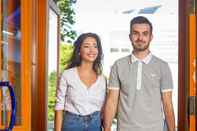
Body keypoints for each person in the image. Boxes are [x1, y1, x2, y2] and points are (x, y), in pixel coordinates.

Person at [103, 16, 175, 131]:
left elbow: (167, 103)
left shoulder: (163, 66)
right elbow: (112, 101)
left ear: (151, 37)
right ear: (130, 37)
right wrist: (106, 129)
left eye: (145, 33)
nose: (140, 38)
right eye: (136, 33)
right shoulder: (118, 65)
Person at [54, 33, 106, 131]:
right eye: (86, 46)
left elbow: (103, 108)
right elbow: (59, 107)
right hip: (72, 124)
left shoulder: (102, 79)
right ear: (79, 51)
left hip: (95, 125)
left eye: (95, 46)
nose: (92, 50)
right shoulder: (67, 75)